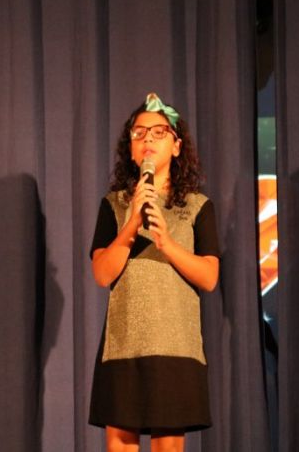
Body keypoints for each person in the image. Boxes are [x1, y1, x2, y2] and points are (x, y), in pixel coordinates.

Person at [89, 93, 220, 452]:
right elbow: (102, 274)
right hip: (124, 344)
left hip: (175, 345)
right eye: (139, 132)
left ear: (176, 147)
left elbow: (209, 277)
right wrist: (132, 223)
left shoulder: (197, 207)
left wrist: (167, 243)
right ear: (131, 149)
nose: (148, 138)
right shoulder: (114, 204)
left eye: (159, 132)